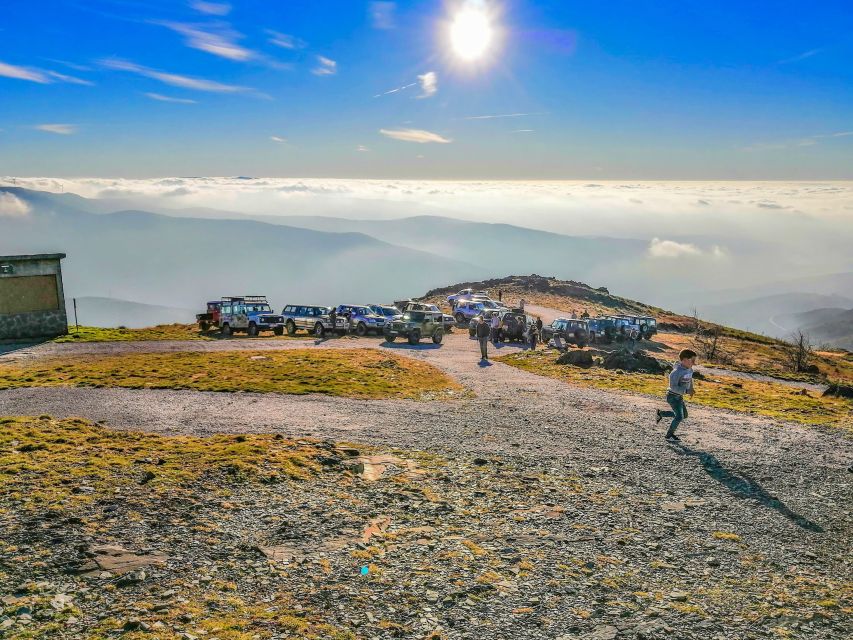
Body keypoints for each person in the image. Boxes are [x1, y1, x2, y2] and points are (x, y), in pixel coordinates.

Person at [656, 348, 697, 441]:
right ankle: (669, 435)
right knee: (679, 417)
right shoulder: (675, 373)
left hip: (679, 397)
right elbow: (673, 387)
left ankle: (660, 414)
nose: (694, 363)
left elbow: (690, 379)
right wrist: (686, 391)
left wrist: (691, 389)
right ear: (685, 360)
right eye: (692, 360)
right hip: (672, 396)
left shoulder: (689, 369)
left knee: (684, 415)